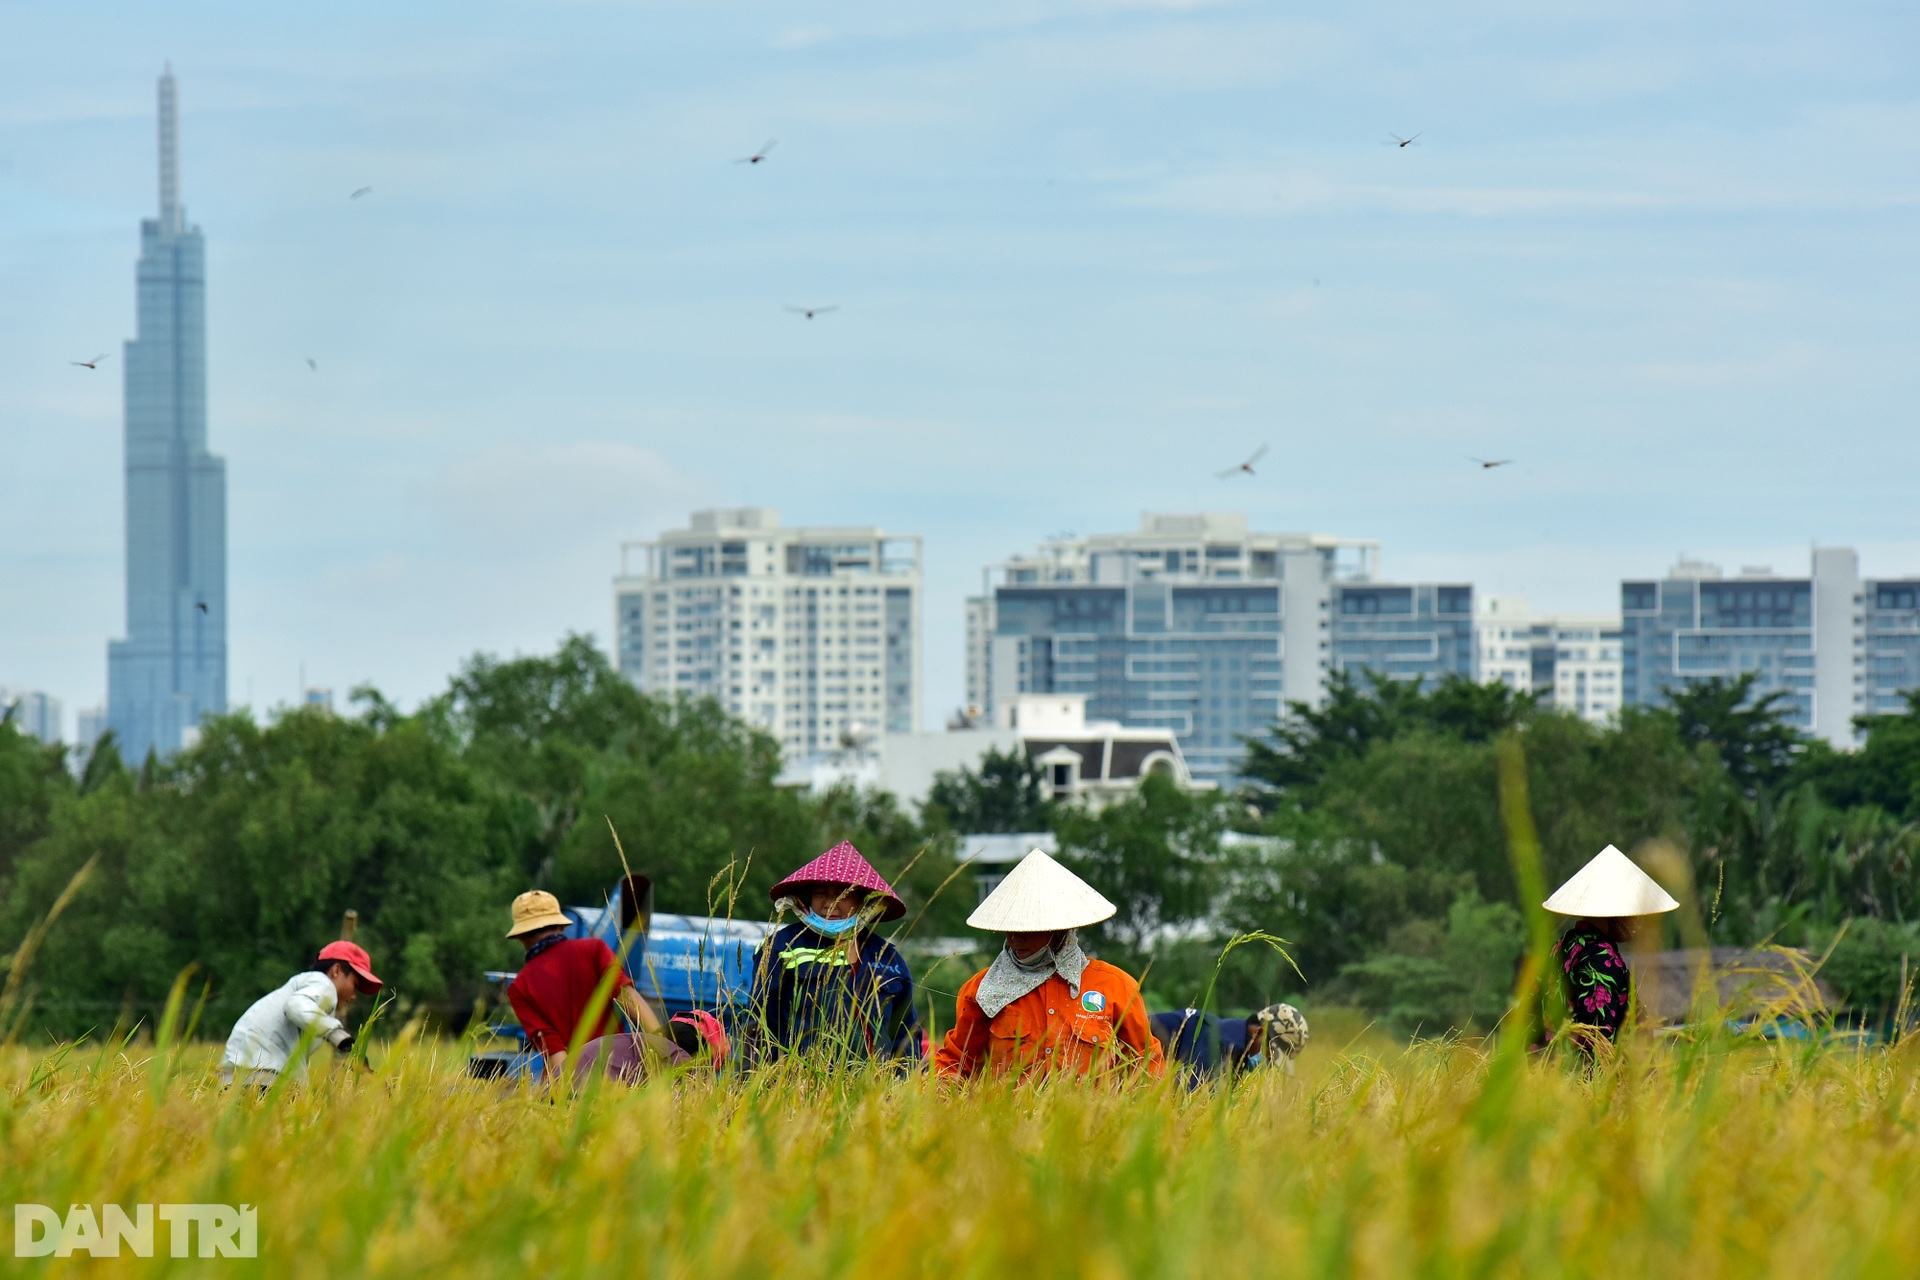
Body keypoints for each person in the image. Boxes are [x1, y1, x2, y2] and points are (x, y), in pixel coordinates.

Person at [936, 849, 1165, 1083]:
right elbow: (955, 1064)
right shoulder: (984, 990)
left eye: (1028, 929)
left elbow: (1146, 1068)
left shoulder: (1115, 986)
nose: (1016, 938)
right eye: (1010, 928)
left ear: (1059, 930)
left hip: (1093, 1118)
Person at [744, 841, 923, 1064]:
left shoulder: (888, 958)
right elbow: (757, 1025)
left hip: (875, 1091)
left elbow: (905, 1036)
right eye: (821, 893)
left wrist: (904, 1086)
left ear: (863, 900)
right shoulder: (783, 946)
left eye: (842, 894)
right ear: (807, 897)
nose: (831, 903)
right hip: (801, 1087)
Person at [502, 889, 671, 1084]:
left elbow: (553, 1049)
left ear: (521, 936)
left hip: (573, 1082)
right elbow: (631, 1000)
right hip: (621, 1072)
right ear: (560, 926)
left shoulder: (520, 986)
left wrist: (570, 1092)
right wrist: (666, 1049)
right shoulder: (593, 950)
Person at [1542, 843, 1679, 1050]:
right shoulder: (1600, 960)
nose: (1637, 922)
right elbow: (1596, 1043)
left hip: (1551, 1074)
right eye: (1631, 913)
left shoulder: (1564, 944)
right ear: (1611, 912)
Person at [220, 940, 382, 1087]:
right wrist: (339, 1036)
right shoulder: (324, 984)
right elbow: (296, 1006)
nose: (354, 996)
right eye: (355, 985)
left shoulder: (300, 986)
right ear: (336, 970)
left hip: (232, 1077)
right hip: (263, 1075)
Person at [1151, 1001, 1309, 1087]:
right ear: (1259, 1032)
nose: (1267, 1061)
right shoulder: (1220, 1044)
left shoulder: (1229, 1038)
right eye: (1270, 1054)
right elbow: (1188, 1101)